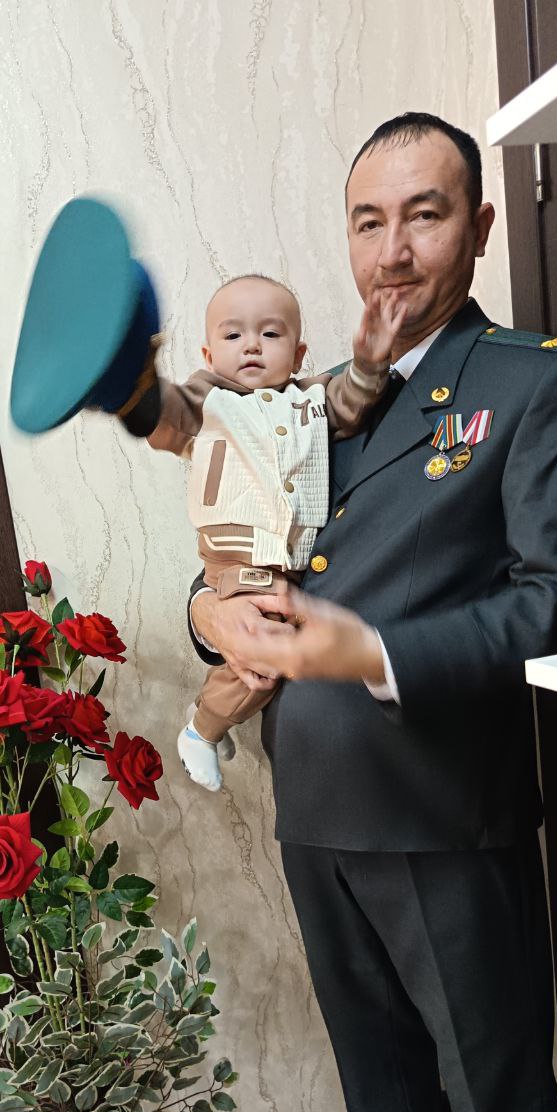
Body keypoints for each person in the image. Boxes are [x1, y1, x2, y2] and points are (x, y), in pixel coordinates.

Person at [175, 113, 557, 1112]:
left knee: (493, 1061)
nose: (393, 249)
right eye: (369, 220)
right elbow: (243, 541)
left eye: (423, 214)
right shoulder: (312, 402)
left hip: (438, 798)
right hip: (312, 786)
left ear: (474, 229)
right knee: (364, 1026)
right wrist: (202, 608)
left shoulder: (537, 379)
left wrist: (373, 652)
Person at [137, 276, 405, 791]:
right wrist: (140, 375)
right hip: (238, 553)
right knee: (263, 654)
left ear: (300, 351)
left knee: (271, 644)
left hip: (293, 560)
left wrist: (370, 362)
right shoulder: (204, 399)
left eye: (271, 334)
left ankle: (218, 722)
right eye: (234, 336)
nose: (253, 345)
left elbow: (353, 402)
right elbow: (159, 418)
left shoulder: (312, 398)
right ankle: (202, 728)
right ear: (209, 351)